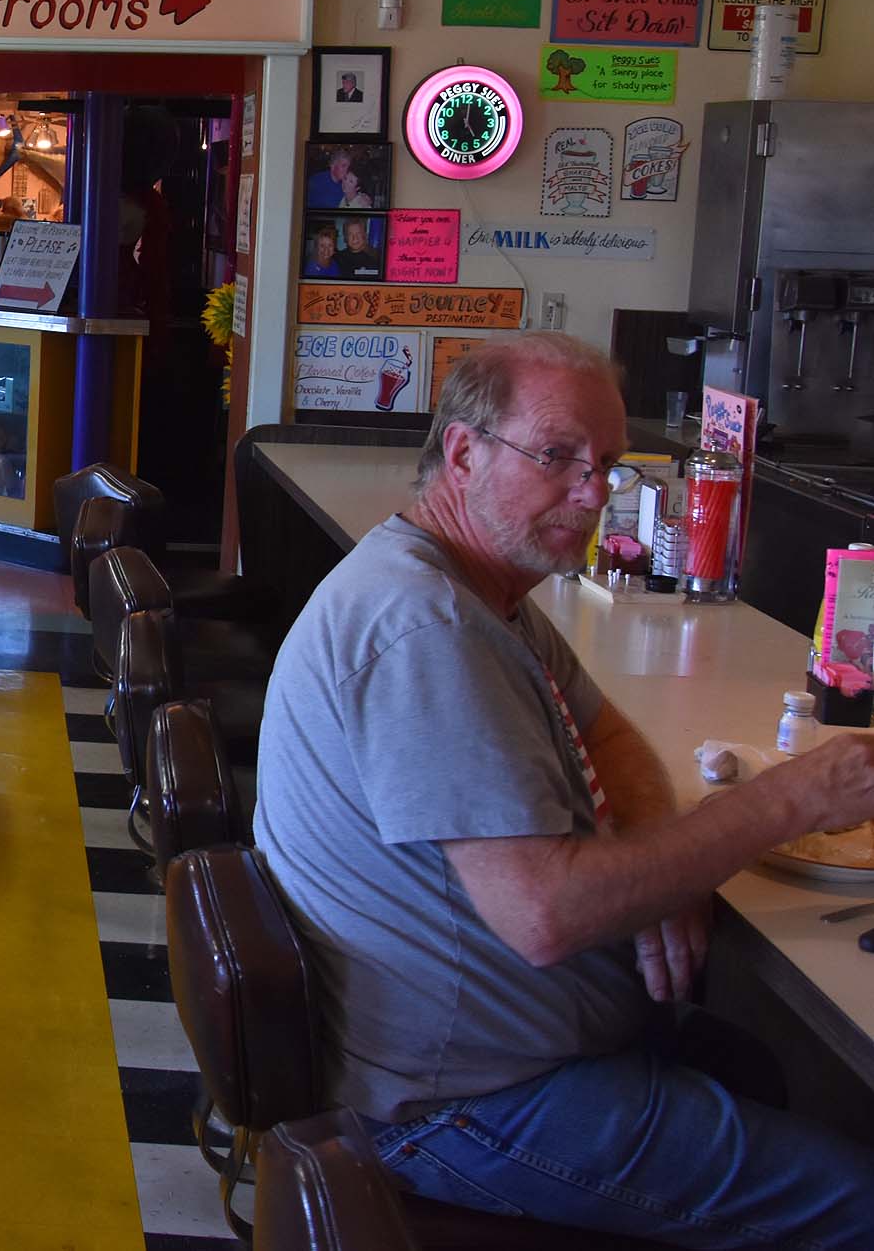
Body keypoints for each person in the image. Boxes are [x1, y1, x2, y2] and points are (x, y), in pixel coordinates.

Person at [254, 333, 874, 1244]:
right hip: (455, 1103)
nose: (593, 492)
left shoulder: (477, 586)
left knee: (754, 1067)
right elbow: (543, 915)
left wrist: (662, 865)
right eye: (557, 456)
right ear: (464, 452)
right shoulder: (426, 627)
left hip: (490, 1057)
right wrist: (788, 799)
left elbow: (609, 732)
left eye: (608, 464)